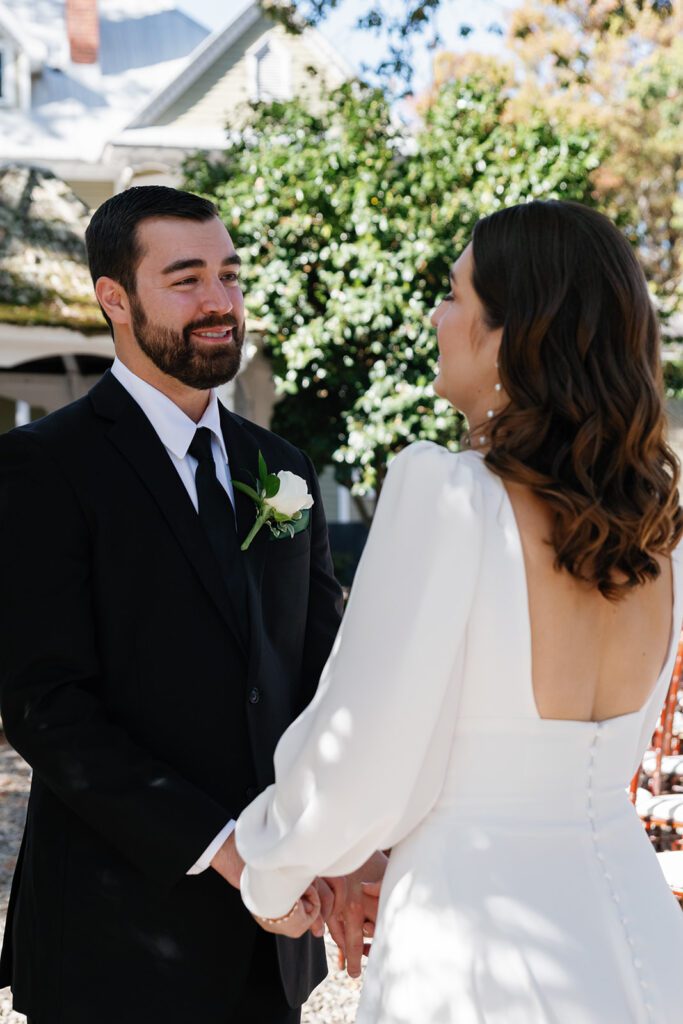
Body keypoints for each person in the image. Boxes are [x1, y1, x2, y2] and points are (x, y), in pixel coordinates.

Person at [232, 200, 683, 1022]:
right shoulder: (661, 534)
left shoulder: (447, 495)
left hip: (476, 940)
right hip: (638, 933)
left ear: (512, 334)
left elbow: (361, 746)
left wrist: (276, 875)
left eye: (453, 294)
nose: (436, 316)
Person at [0, 185, 358, 1024]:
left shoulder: (283, 468)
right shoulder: (41, 468)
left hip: (272, 944)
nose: (220, 303)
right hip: (112, 936)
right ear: (113, 299)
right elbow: (45, 708)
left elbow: (322, 679)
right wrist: (232, 854)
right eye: (187, 278)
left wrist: (340, 846)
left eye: (229, 276)